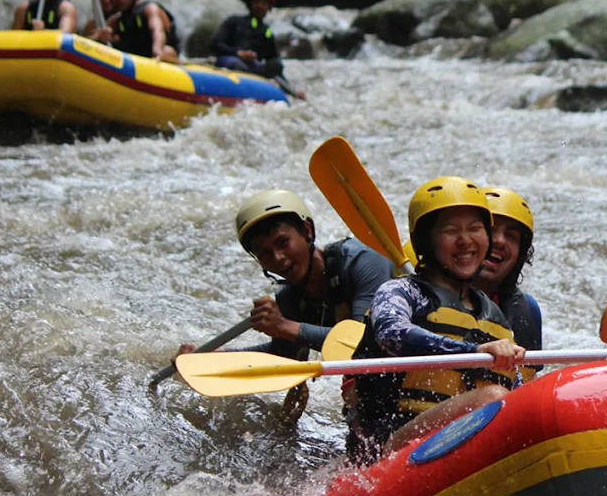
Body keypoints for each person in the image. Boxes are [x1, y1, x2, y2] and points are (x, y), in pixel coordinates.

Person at [347, 177, 524, 463]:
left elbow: (517, 391)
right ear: (426, 242)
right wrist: (472, 352)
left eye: (475, 229)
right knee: (492, 398)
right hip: (388, 448)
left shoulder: (495, 316)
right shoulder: (402, 291)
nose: (465, 240)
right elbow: (391, 333)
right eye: (451, 231)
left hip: (461, 443)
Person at [178, 189, 394, 422]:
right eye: (265, 253)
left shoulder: (364, 262)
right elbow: (282, 355)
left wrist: (283, 325)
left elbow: (363, 344)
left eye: (283, 243)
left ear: (307, 231)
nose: (278, 258)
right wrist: (211, 359)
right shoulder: (290, 298)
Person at [477, 186, 543, 351]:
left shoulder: (527, 309)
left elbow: (531, 376)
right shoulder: (420, 299)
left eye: (511, 236)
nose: (500, 241)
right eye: (491, 230)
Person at [90, 0, 180, 62]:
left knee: (168, 51)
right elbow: (92, 40)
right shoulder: (116, 20)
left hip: (157, 56)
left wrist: (157, 51)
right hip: (137, 58)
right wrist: (101, 37)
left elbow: (157, 31)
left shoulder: (149, 9)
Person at [212, 0, 286, 77]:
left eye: (264, 3)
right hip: (230, 62)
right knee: (238, 65)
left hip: (253, 68)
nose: (260, 6)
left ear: (269, 6)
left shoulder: (266, 32)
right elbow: (215, 45)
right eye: (256, 2)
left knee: (276, 65)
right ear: (250, 3)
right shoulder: (234, 21)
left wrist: (291, 89)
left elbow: (274, 62)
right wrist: (238, 53)